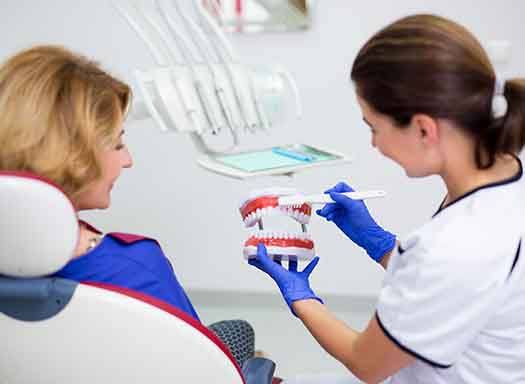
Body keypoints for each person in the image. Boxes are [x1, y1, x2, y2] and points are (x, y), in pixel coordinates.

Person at [248, 14, 525, 383]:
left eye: (373, 127)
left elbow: (367, 363)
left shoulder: (456, 244)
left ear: (424, 128)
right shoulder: (505, 175)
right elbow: (452, 291)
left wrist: (300, 296)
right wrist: (379, 243)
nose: (374, 144)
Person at [0, 45, 199, 321]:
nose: (128, 160)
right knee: (237, 330)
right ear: (73, 154)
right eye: (117, 144)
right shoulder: (136, 268)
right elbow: (202, 363)